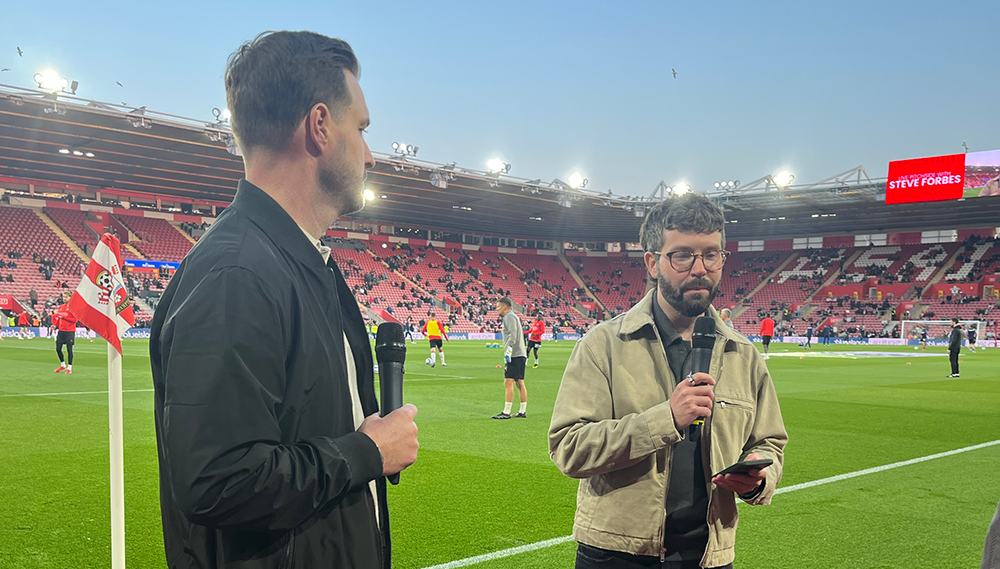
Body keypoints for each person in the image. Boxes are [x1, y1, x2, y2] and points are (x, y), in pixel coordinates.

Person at [149, 31, 418, 569]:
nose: (370, 153)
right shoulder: (238, 273)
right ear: (319, 126)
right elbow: (218, 480)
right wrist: (367, 452)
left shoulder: (302, 263)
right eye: (361, 129)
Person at [549, 193, 787, 569]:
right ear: (653, 263)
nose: (699, 268)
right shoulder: (603, 344)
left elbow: (769, 443)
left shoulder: (744, 354)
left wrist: (760, 476)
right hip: (617, 554)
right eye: (682, 255)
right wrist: (665, 419)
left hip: (710, 555)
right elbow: (569, 448)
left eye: (711, 254)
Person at [493, 297, 527, 419]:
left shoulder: (509, 317)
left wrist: (509, 349)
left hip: (515, 354)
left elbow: (513, 333)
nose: (497, 309)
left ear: (504, 307)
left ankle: (506, 412)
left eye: (498, 307)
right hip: (520, 353)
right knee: (519, 382)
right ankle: (522, 411)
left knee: (508, 382)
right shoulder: (513, 316)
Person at [52, 293, 77, 374]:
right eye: (64, 297)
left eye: (66, 297)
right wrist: (55, 325)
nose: (64, 298)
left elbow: (75, 320)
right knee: (58, 349)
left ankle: (69, 367)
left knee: (69, 349)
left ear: (70, 297)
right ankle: (62, 365)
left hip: (70, 331)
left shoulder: (73, 308)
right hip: (61, 331)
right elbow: (59, 319)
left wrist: (64, 317)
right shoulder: (61, 307)